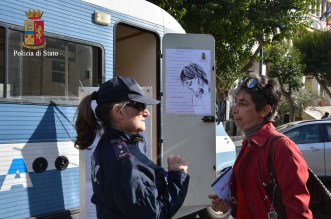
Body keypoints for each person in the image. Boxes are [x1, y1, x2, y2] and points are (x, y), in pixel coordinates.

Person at [74, 76, 190, 219]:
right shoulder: (125, 161)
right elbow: (154, 215)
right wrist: (178, 177)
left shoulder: (107, 146)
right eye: (140, 106)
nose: (146, 113)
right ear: (119, 112)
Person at [208, 74, 312, 219]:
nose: (234, 109)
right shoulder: (247, 143)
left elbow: (299, 211)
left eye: (243, 104)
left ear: (264, 110)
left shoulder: (283, 148)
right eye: (236, 102)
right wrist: (229, 202)